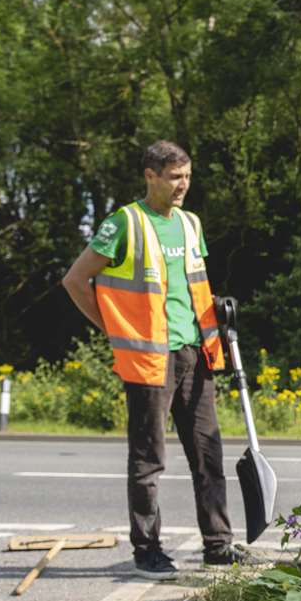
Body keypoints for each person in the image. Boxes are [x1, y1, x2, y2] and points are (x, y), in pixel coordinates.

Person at [62, 140, 241, 578]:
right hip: (149, 359)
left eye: (187, 177)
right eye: (175, 177)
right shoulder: (125, 223)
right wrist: (115, 326)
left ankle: (218, 545)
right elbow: (75, 280)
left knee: (208, 455)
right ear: (150, 176)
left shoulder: (190, 224)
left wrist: (216, 309)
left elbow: (189, 285)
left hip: (195, 353)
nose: (183, 185)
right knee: (148, 459)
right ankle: (147, 550)